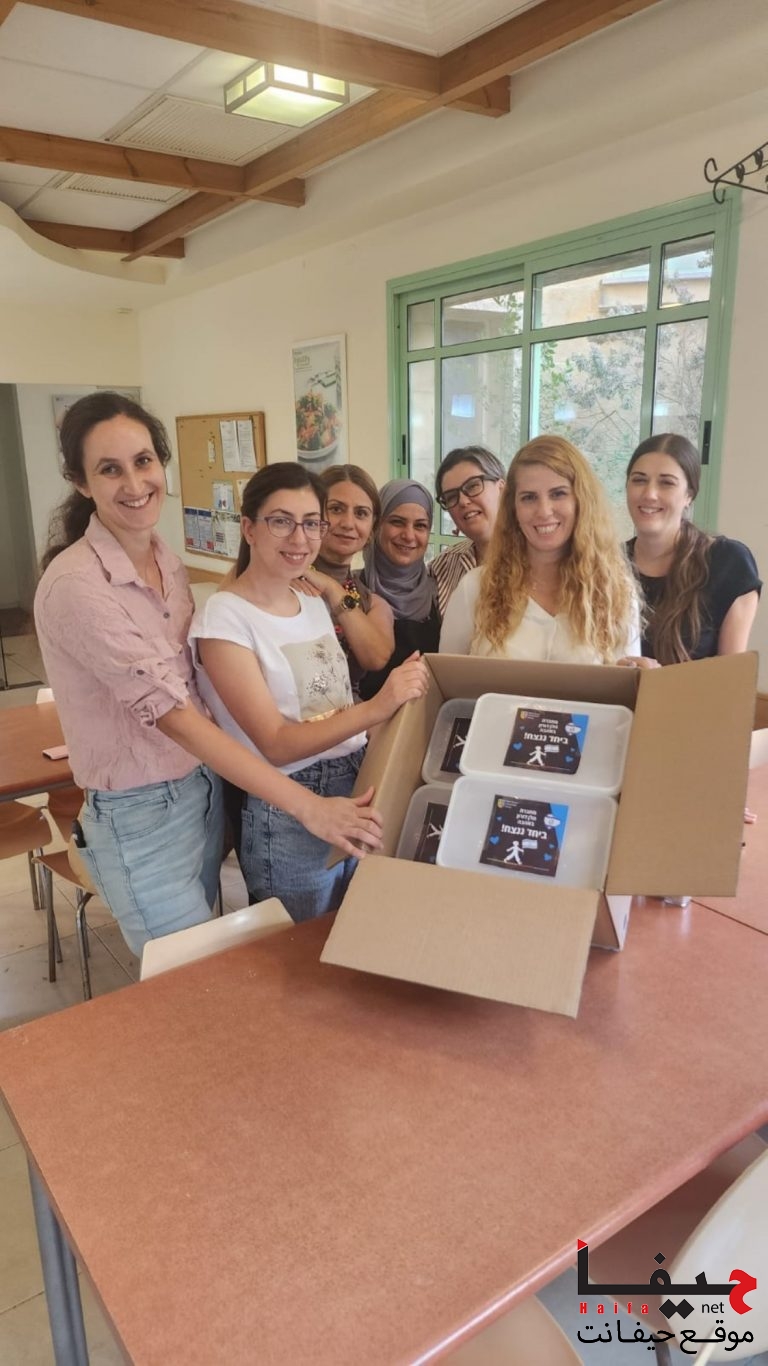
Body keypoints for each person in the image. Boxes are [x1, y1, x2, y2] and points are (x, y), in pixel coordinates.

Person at [34, 393, 384, 958]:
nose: (134, 483)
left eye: (144, 461)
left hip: (203, 791)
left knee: (227, 963)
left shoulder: (167, 562)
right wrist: (307, 805)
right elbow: (177, 718)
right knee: (192, 979)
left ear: (162, 465)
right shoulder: (77, 586)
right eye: (110, 469)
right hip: (140, 812)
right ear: (81, 482)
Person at [190, 463, 428, 922]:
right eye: (281, 521)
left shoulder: (314, 600)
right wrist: (379, 706)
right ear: (249, 528)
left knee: (351, 931)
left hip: (355, 784)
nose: (300, 538)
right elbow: (276, 743)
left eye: (311, 522)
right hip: (291, 803)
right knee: (299, 951)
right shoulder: (224, 617)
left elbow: (334, 706)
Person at [440, 435, 639, 662]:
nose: (544, 511)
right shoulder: (474, 589)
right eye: (529, 498)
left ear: (581, 500)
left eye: (558, 494)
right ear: (513, 508)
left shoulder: (617, 593)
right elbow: (446, 678)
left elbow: (627, 679)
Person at [623, 433, 761, 665]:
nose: (649, 494)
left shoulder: (728, 562)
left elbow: (731, 677)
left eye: (666, 483)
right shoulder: (606, 563)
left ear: (689, 495)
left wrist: (658, 679)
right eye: (639, 480)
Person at [291, 464, 394, 698]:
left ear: (372, 528)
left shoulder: (373, 603)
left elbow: (376, 658)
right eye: (336, 509)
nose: (348, 523)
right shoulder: (284, 579)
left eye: (361, 513)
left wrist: (333, 589)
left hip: (351, 713)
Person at [358, 479, 441, 700]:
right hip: (362, 719)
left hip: (428, 717)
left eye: (420, 526)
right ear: (377, 525)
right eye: (397, 522)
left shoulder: (440, 592)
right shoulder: (350, 591)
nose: (409, 535)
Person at [429, 445, 506, 614]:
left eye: (472, 486)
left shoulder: (540, 560)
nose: (463, 502)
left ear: (502, 489)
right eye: (451, 497)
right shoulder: (442, 567)